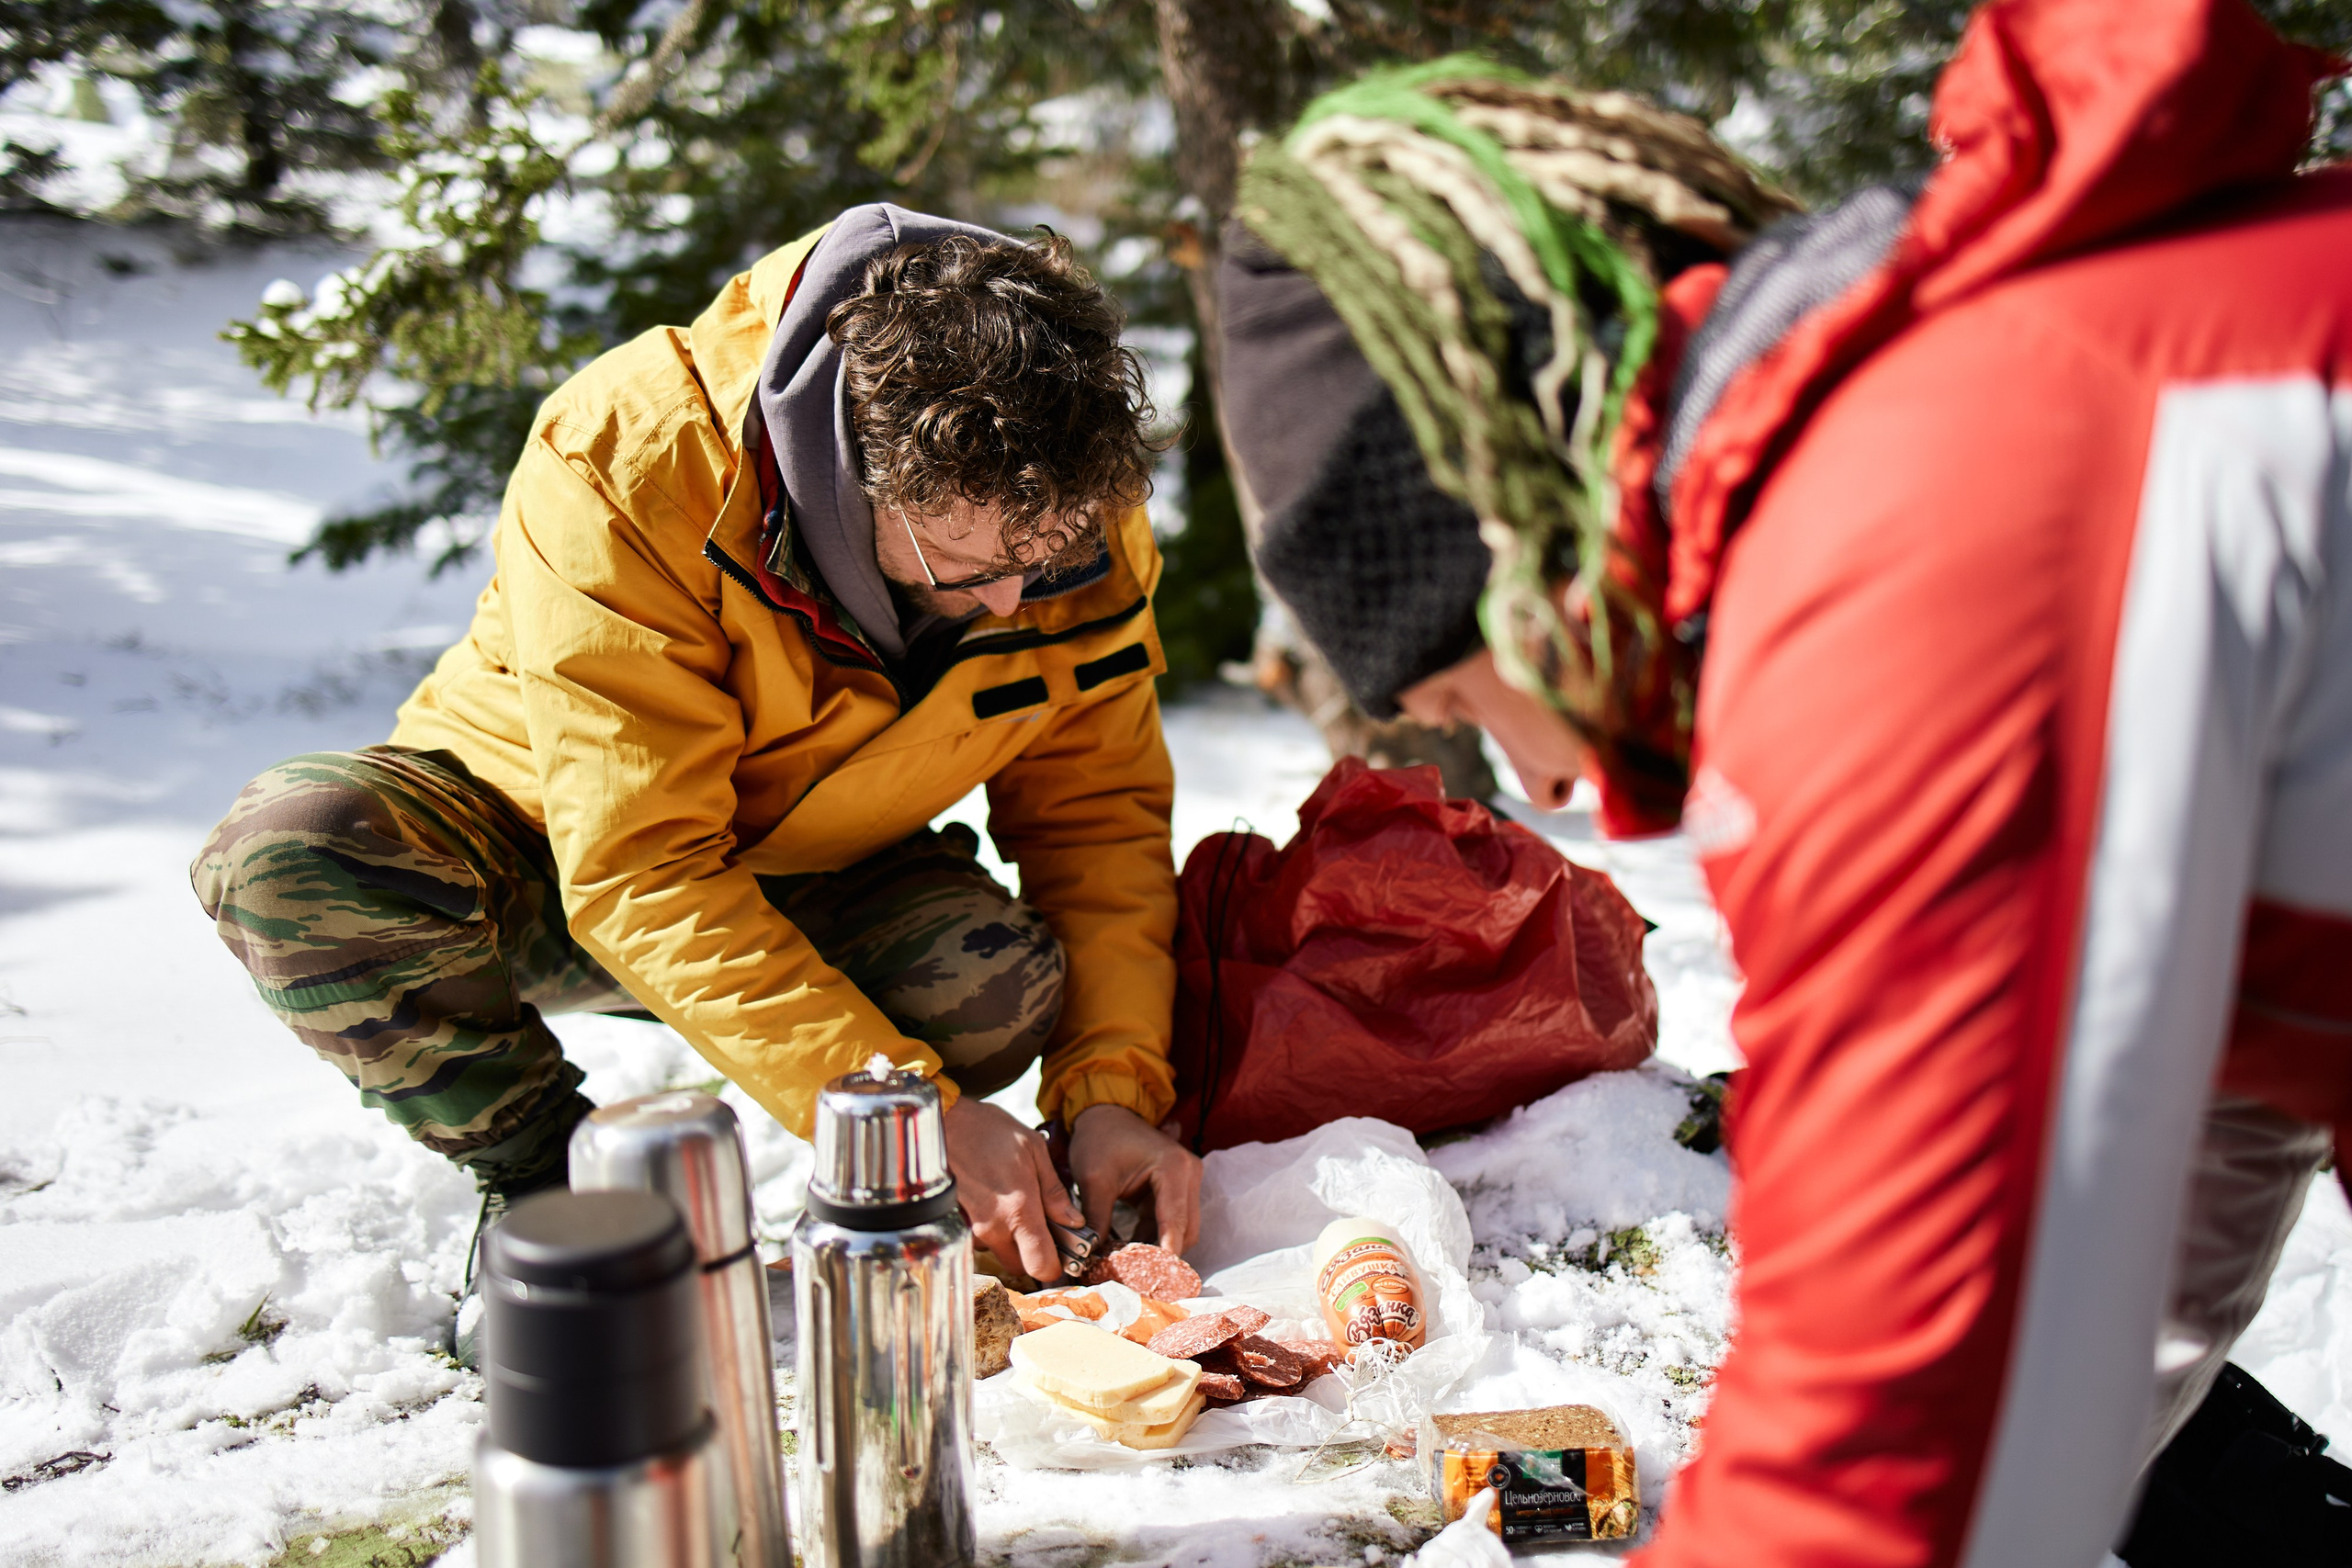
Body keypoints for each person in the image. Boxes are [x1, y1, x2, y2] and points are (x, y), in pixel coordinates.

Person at [1219, 5, 2352, 1563]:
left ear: (1509, 532)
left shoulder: (1900, 556)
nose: (1539, 773)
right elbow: (2175, 1146)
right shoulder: (2000, 387)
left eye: (1462, 692)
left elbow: (1887, 1409)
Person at [192, 206, 1202, 1328]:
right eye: (963, 566)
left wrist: (1109, 1092)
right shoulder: (629, 456)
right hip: (538, 851)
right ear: (848, 473)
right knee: (293, 851)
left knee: (994, 982)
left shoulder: (1057, 513)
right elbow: (644, 866)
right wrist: (903, 1114)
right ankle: (540, 1174)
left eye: (1040, 559)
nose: (1013, 600)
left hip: (810, 857)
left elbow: (1095, 819)